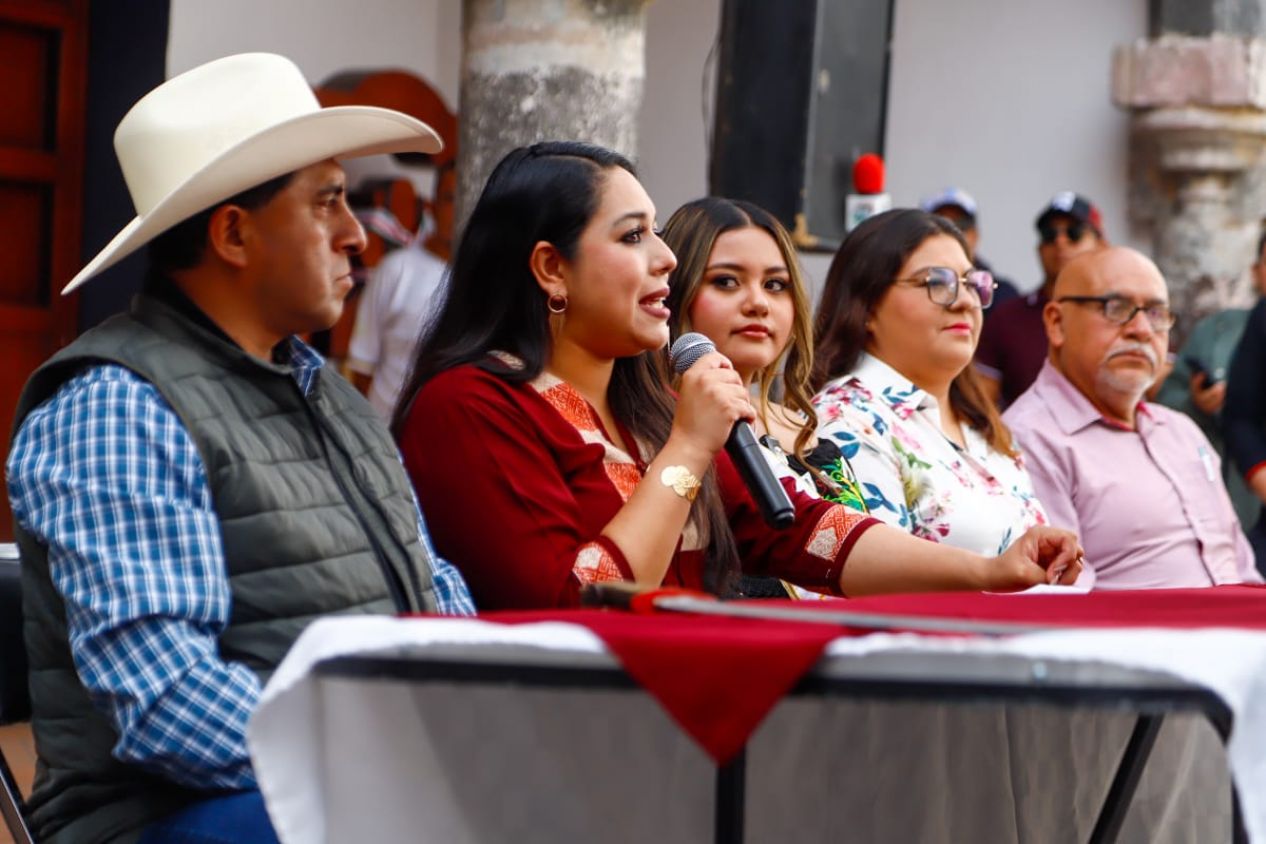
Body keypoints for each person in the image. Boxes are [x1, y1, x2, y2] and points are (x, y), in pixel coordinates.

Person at [4, 54, 474, 844]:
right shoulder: (117, 405)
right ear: (232, 232)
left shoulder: (326, 393)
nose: (357, 236)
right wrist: (389, 758)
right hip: (169, 819)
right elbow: (165, 700)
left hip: (345, 789)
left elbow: (433, 585)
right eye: (328, 203)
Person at [393, 142, 1082, 611]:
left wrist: (990, 572)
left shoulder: (651, 406)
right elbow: (570, 604)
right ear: (550, 268)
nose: (664, 258)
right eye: (633, 236)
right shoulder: (470, 406)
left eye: (658, 233)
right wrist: (689, 449)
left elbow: (802, 533)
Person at [1004, 246, 1261, 589]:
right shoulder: (1029, 440)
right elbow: (1060, 604)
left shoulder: (1181, 431)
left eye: (1156, 313)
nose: (1141, 329)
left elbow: (1241, 569)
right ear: (1056, 322)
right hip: (1144, 639)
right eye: (1117, 308)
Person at [810, 209, 1052, 560]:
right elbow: (872, 584)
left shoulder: (985, 428)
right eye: (937, 283)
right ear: (867, 307)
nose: (967, 302)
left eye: (972, 284)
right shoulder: (844, 420)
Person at [660, 196, 863, 509]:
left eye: (775, 284)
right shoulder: (654, 426)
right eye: (726, 281)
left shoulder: (800, 427)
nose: (758, 303)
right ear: (673, 294)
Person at [1157, 229, 1266, 533]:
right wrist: (1196, 402)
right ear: (1256, 272)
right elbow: (1164, 405)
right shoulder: (1216, 330)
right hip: (1229, 483)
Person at [347, 162, 457, 419]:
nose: (461, 207)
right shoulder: (395, 270)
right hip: (392, 444)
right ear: (432, 206)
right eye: (451, 198)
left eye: (469, 196)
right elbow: (362, 368)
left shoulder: (497, 279)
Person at [975, 192, 1105, 407]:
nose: (1060, 242)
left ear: (1101, 244)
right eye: (1049, 234)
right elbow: (979, 406)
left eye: (1074, 233)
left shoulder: (1127, 315)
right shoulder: (1007, 318)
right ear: (1039, 247)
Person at [920, 186, 1019, 315]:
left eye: (961, 225)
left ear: (975, 235)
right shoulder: (914, 288)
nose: (952, 234)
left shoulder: (1003, 295)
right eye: (939, 226)